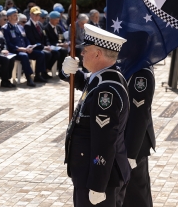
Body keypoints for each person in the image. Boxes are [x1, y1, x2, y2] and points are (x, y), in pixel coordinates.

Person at [60, 24, 130, 207]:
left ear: (98, 54)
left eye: (86, 50)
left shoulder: (106, 92)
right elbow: (86, 84)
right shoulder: (105, 77)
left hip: (97, 176)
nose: (82, 53)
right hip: (91, 172)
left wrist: (98, 185)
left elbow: (104, 140)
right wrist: (68, 73)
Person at [123, 67, 156, 207]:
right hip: (123, 143)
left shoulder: (141, 72)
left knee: (136, 196)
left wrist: (131, 154)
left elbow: (139, 116)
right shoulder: (127, 64)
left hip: (133, 144)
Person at [3, 8, 47, 87]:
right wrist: (20, 49)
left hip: (25, 49)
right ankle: (29, 77)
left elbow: (26, 39)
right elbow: (8, 43)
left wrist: (29, 47)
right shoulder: (5, 28)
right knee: (24, 56)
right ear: (9, 17)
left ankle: (38, 74)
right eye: (14, 16)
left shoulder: (19, 27)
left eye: (16, 15)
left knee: (41, 54)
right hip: (15, 51)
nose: (16, 17)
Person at [24, 6, 59, 79]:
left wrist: (48, 45)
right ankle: (38, 74)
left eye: (38, 15)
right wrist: (43, 47)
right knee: (43, 54)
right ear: (31, 14)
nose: (37, 16)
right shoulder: (28, 25)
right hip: (34, 48)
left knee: (55, 53)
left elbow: (45, 37)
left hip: (42, 46)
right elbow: (32, 40)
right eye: (35, 14)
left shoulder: (40, 24)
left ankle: (45, 71)